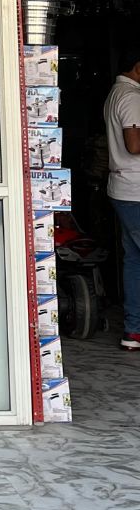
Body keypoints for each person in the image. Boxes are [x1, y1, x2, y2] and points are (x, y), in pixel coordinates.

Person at [104, 47, 140, 350]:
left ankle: (133, 331)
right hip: (136, 190)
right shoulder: (130, 97)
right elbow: (134, 144)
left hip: (124, 188)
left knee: (134, 262)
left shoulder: (116, 93)